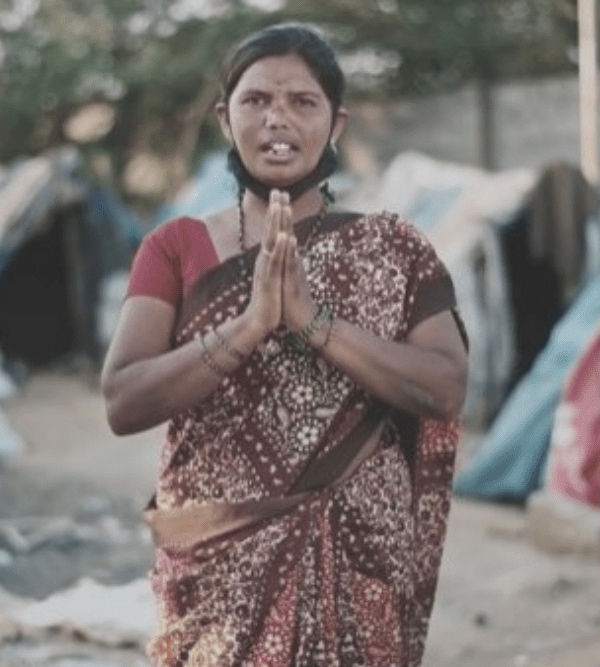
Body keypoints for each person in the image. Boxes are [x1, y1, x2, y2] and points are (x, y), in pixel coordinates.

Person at [100, 23, 468, 666]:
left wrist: (312, 324)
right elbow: (123, 401)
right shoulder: (174, 247)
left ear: (337, 124)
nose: (279, 119)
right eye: (256, 100)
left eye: (303, 102)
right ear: (225, 117)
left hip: (361, 564)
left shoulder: (396, 249)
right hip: (217, 579)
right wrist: (246, 328)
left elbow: (444, 385)